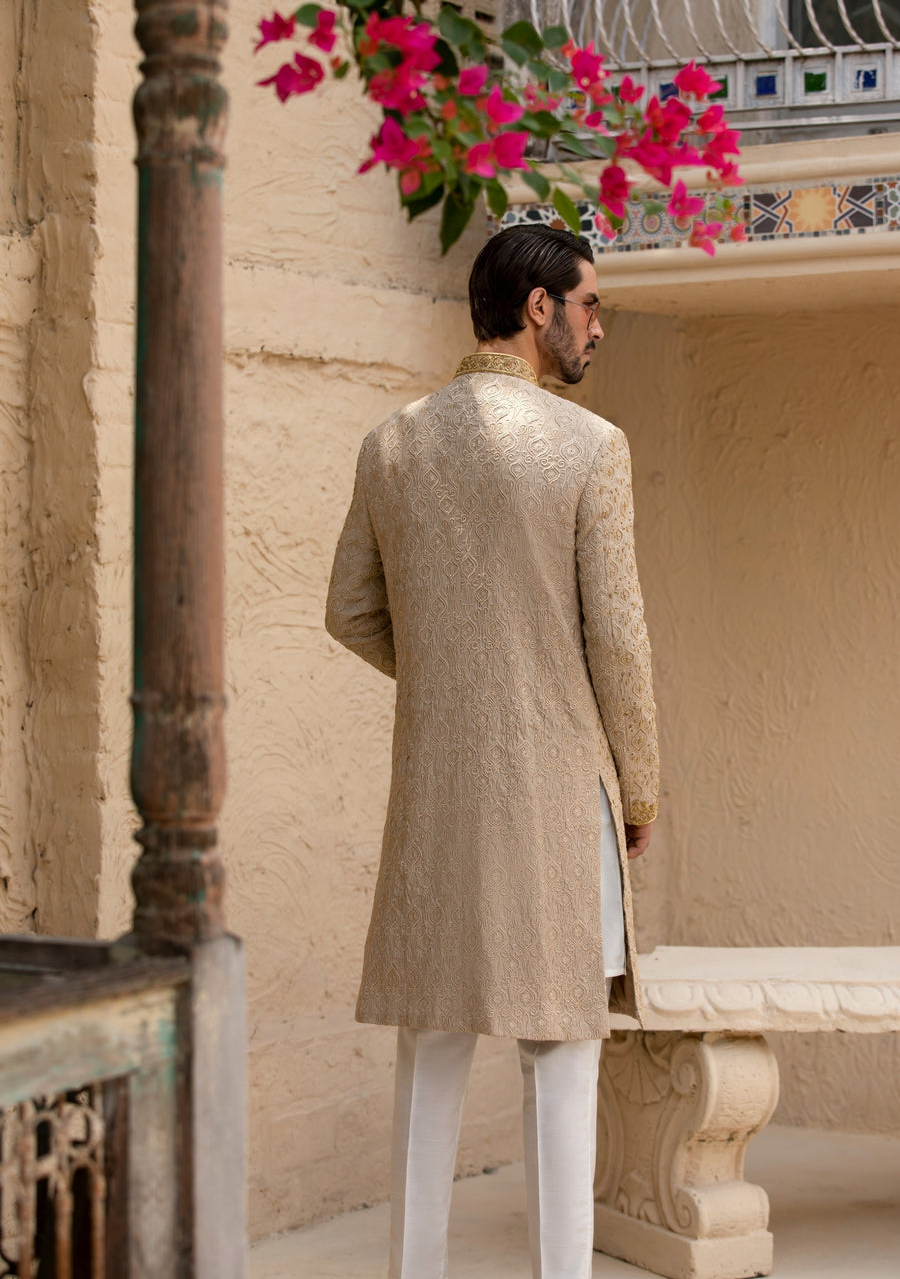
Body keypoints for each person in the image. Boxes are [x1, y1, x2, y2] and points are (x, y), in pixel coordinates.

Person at [325, 224, 659, 1279]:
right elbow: (619, 638)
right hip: (559, 794)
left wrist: (450, 687)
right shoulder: (588, 447)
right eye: (590, 304)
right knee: (561, 1061)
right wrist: (641, 784)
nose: (599, 325)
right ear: (537, 309)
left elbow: (349, 611)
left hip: (435, 795)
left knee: (428, 1055)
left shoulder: (395, 441)